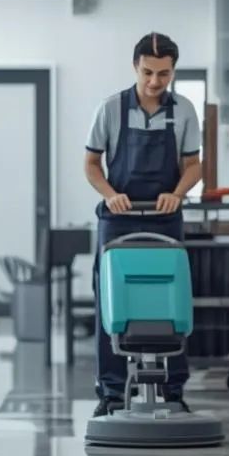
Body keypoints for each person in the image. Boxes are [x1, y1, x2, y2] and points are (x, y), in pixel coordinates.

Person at [84, 33, 203, 417]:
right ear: (135, 66)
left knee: (173, 302)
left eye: (164, 74)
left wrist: (179, 193)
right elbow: (91, 163)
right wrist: (108, 193)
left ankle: (173, 390)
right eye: (148, 72)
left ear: (173, 71)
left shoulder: (183, 110)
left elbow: (194, 165)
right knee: (111, 303)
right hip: (118, 222)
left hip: (164, 219)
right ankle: (113, 393)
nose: (155, 82)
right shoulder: (111, 109)